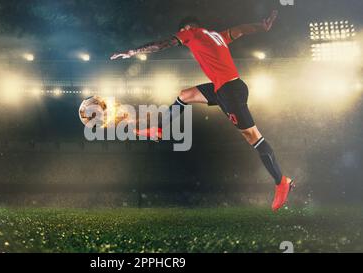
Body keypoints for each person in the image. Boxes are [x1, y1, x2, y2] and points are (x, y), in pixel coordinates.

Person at [110, 10, 294, 211]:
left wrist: (131, 52)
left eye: (181, 34)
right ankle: (158, 129)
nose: (182, 39)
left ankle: (280, 181)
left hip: (229, 91)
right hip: (223, 87)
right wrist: (261, 27)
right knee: (185, 95)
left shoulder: (192, 33)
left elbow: (161, 44)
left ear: (186, 29)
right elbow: (239, 30)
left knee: (253, 137)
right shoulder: (216, 35)